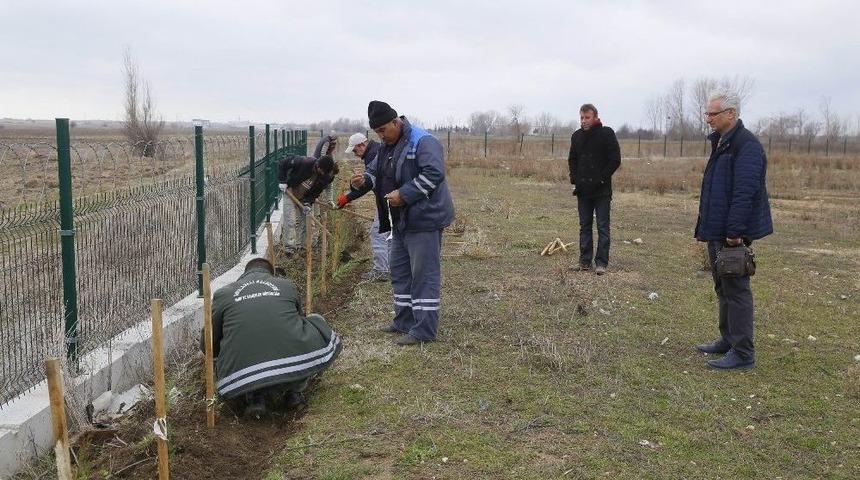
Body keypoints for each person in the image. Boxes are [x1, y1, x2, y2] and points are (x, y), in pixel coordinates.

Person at [349, 101, 455, 346]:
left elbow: (434, 174)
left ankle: (424, 330)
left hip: (424, 219)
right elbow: (376, 173)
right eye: (377, 133)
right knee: (400, 271)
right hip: (400, 221)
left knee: (423, 275)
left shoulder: (422, 141)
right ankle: (404, 320)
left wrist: (404, 194)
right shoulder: (387, 145)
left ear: (396, 122)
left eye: (384, 130)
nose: (381, 136)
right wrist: (362, 181)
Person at [200, 258, 342, 417]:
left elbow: (209, 340)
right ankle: (293, 392)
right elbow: (297, 323)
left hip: (242, 374)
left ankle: (255, 397)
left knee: (245, 346)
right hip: (290, 361)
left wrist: (221, 353)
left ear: (244, 275)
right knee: (314, 320)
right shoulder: (287, 286)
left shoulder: (223, 294)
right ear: (271, 274)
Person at [694, 88, 773, 370]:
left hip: (731, 232)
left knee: (737, 289)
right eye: (707, 113)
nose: (708, 119)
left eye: (712, 114)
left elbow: (744, 192)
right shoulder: (723, 142)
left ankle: (743, 353)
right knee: (723, 285)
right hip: (717, 228)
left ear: (731, 114)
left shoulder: (746, 146)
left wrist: (734, 232)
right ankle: (728, 340)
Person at [567, 103, 621, 275]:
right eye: (581, 118)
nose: (584, 121)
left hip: (601, 190)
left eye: (587, 117)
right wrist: (575, 179)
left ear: (596, 117)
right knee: (585, 226)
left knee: (603, 226)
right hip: (583, 190)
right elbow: (572, 160)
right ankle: (584, 262)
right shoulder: (576, 136)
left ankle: (601, 263)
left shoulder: (606, 134)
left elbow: (615, 159)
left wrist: (601, 178)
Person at [337, 132, 390, 282]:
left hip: (387, 199)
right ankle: (392, 268)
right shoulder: (376, 151)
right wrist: (347, 197)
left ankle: (381, 271)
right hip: (390, 198)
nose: (355, 154)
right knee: (390, 235)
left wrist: (347, 197)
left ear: (362, 144)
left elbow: (368, 183)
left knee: (378, 233)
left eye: (355, 150)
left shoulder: (373, 155)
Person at [277, 135, 339, 252]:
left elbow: (315, 193)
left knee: (303, 222)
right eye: (320, 170)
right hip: (290, 192)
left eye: (323, 172)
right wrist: (282, 181)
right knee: (290, 221)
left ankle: (301, 247)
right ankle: (289, 248)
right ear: (317, 165)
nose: (321, 173)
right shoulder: (304, 162)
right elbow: (282, 163)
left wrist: (307, 203)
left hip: (303, 197)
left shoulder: (323, 178)